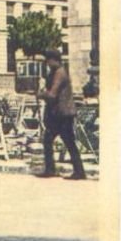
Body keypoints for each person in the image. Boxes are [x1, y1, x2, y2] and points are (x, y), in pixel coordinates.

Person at [36, 49, 86, 180]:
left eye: (48, 60)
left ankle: (77, 171)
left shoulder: (60, 73)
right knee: (50, 140)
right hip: (58, 114)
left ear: (54, 60)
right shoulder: (55, 73)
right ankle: (52, 169)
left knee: (68, 142)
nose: (47, 63)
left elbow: (52, 95)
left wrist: (41, 94)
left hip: (63, 114)